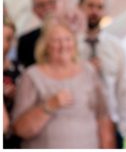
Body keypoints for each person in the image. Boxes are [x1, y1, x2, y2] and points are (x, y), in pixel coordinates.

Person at [12, 18, 115, 149]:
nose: (63, 45)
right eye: (56, 41)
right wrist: (49, 106)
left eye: (67, 39)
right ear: (45, 45)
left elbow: (103, 117)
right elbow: (20, 129)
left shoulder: (88, 71)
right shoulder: (31, 75)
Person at [77, 0, 126, 147]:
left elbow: (124, 88)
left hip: (111, 121)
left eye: (99, 7)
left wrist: (123, 123)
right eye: (90, 6)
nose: (94, 11)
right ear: (79, 8)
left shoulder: (116, 46)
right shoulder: (69, 45)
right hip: (78, 122)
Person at [16, 0, 58, 70]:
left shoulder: (76, 31)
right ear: (34, 10)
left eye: (51, 2)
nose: (48, 8)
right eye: (41, 5)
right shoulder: (25, 41)